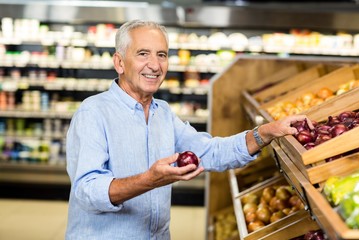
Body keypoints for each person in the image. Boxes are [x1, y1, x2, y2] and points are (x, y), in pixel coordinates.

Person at [65, 20, 312, 240]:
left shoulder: (162, 113)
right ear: (119, 62)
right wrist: (149, 180)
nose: (154, 65)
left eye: (161, 55)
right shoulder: (93, 112)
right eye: (143, 54)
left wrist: (266, 132)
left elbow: (212, 152)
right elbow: (87, 191)